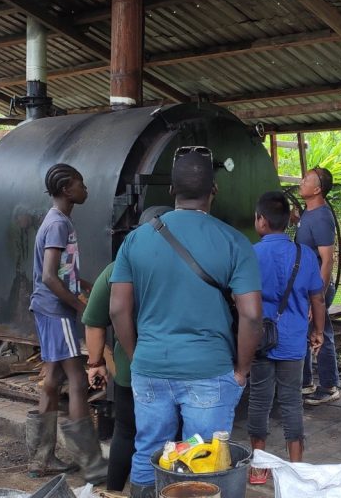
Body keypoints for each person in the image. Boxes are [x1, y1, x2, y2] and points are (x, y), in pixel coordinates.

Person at [108, 147, 263, 498]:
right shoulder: (234, 241)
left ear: (171, 191)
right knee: (204, 458)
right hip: (209, 370)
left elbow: (118, 309)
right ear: (214, 191)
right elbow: (252, 314)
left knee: (149, 451)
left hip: (151, 364)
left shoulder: (136, 239)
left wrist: (136, 356)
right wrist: (241, 370)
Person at [26, 163, 106, 484]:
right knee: (77, 380)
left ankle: (41, 459)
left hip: (47, 309)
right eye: (80, 184)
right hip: (56, 311)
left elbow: (61, 272)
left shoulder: (58, 220)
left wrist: (88, 286)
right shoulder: (59, 224)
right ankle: (92, 464)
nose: (85, 189)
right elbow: (49, 276)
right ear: (65, 190)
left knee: (53, 378)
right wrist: (80, 307)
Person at [83, 205, 170, 491]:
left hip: (131, 370)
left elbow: (94, 322)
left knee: (126, 432)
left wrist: (95, 363)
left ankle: (113, 492)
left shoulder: (117, 269)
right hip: (176, 368)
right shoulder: (182, 270)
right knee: (174, 438)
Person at [247, 191, 327, 485]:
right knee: (292, 401)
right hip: (293, 340)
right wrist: (318, 331)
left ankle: (258, 468)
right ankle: (296, 468)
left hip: (260, 340)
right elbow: (317, 298)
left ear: (261, 220)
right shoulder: (304, 254)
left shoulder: (251, 255)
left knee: (259, 400)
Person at [296, 167, 341, 406]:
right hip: (306, 287)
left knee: (321, 332)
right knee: (305, 331)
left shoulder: (322, 217)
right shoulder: (309, 212)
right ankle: (305, 383)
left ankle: (329, 386)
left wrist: (319, 297)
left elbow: (327, 260)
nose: (301, 181)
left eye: (306, 180)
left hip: (317, 288)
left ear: (317, 189)